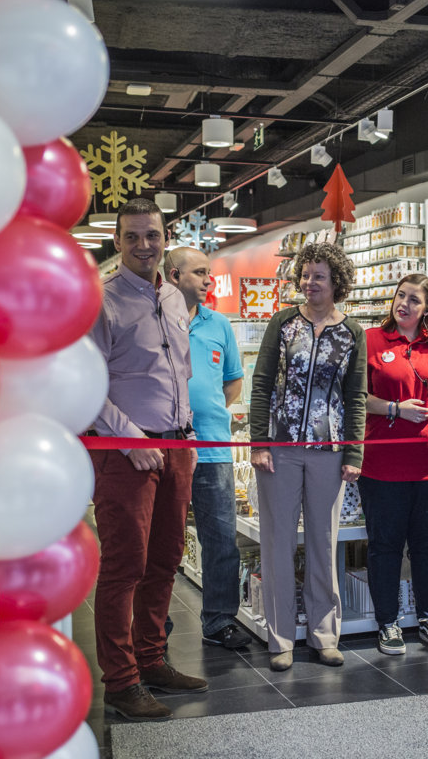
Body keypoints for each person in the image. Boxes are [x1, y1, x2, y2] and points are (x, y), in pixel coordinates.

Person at [87, 197, 206, 722]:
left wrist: (191, 436)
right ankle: (121, 680)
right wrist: (131, 438)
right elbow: (82, 386)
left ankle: (152, 659)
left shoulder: (176, 299)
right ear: (117, 242)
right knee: (124, 566)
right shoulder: (101, 301)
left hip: (177, 448)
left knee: (165, 561)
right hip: (125, 454)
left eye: (152, 236)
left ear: (165, 238)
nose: (144, 246)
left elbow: (179, 375)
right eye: (132, 237)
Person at [249, 242, 367, 672]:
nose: (309, 283)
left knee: (324, 541)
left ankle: (324, 634)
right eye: (305, 275)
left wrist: (354, 452)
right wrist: (258, 442)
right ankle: (280, 638)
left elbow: (356, 397)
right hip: (278, 448)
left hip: (329, 451)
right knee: (277, 541)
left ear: (336, 282)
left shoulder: (352, 331)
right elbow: (260, 385)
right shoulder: (282, 323)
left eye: (318, 276)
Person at [360, 274, 428, 655]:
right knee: (385, 545)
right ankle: (388, 623)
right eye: (400, 295)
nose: (403, 304)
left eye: (415, 300)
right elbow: (354, 395)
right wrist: (394, 409)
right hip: (383, 463)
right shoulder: (371, 339)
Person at [165, 247, 252, 651]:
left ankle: (219, 620)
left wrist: (211, 408)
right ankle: (154, 623)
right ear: (173, 274)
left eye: (208, 273)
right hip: (165, 445)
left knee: (221, 539)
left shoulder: (219, 325)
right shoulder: (156, 319)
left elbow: (233, 381)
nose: (207, 279)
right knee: (161, 540)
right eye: (199, 272)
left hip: (214, 448)